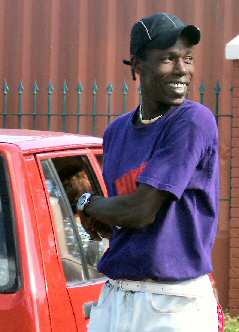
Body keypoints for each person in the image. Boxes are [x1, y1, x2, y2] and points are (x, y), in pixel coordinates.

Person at [77, 12, 221, 332]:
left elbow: (140, 211)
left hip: (173, 302)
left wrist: (87, 203)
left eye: (187, 58)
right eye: (168, 59)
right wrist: (104, 214)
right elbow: (116, 224)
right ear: (138, 66)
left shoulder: (192, 120)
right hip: (116, 294)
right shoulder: (116, 132)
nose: (182, 69)